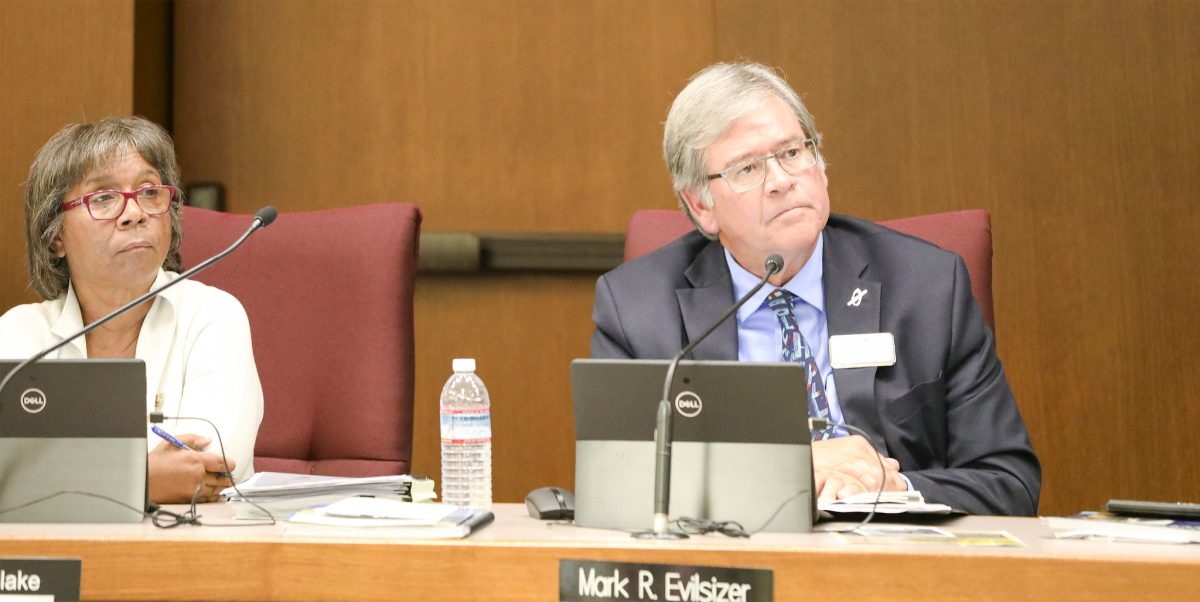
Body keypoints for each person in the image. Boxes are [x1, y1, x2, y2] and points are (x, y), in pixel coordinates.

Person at [591, 62, 1040, 516]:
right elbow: (616, 485)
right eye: (747, 169)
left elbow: (1009, 483)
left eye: (791, 153)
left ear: (820, 167)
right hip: (735, 568)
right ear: (701, 205)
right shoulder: (638, 310)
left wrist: (893, 484)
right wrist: (789, 468)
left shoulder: (927, 287)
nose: (782, 181)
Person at [0, 116, 263, 504]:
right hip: (55, 559)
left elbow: (208, 469)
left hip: (190, 555)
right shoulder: (20, 334)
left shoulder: (213, 317)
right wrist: (141, 479)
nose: (134, 212)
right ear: (56, 236)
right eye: (103, 197)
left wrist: (54, 480)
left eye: (149, 192)